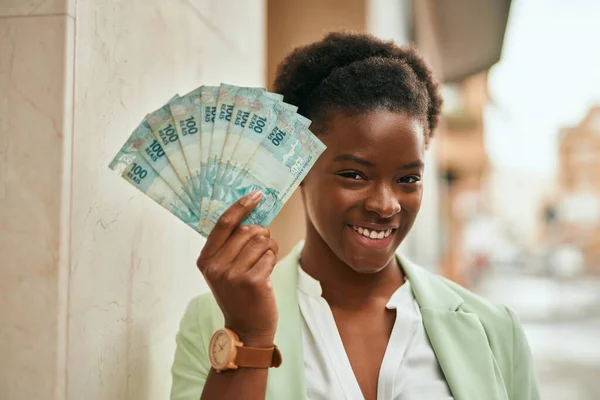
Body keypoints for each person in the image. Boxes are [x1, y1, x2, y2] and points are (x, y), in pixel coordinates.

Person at [170, 32, 540, 400]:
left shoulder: (494, 330)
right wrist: (250, 339)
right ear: (298, 169)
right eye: (354, 175)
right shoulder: (212, 322)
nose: (385, 204)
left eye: (408, 179)